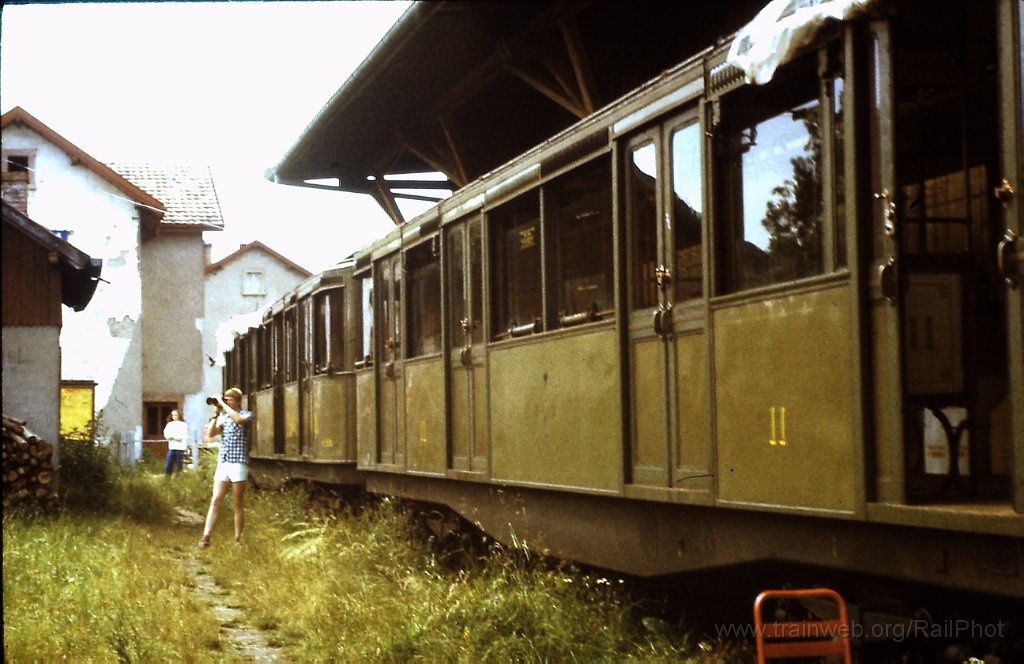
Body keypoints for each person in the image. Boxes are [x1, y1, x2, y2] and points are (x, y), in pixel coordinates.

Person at [197, 387, 252, 548]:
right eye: (225, 398)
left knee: (237, 502)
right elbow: (211, 434)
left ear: (238, 401)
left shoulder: (245, 414)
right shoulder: (224, 417)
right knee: (216, 499)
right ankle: (206, 536)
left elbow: (239, 421)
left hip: (238, 462)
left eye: (230, 399)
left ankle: (237, 539)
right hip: (224, 461)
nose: (226, 401)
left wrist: (222, 403)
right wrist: (215, 413)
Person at [163, 410, 189, 476]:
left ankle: (178, 480)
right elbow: (166, 434)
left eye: (175, 415)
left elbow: (182, 436)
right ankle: (167, 479)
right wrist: (172, 437)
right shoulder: (169, 424)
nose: (174, 416)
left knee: (179, 465)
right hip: (172, 447)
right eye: (173, 415)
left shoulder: (183, 425)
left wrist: (174, 437)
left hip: (180, 448)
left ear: (179, 415)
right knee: (168, 465)